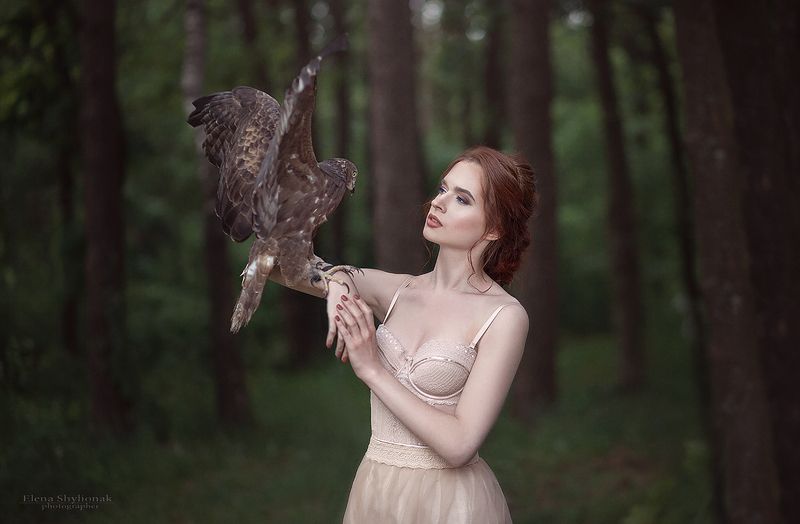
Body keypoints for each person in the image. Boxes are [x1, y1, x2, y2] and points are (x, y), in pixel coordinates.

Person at [271, 146, 537, 523]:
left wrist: (372, 369)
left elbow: (460, 445)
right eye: (443, 189)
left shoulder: (505, 316)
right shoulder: (396, 291)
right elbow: (280, 266)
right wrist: (337, 285)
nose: (439, 203)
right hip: (376, 491)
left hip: (451, 504)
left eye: (462, 199)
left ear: (494, 228)